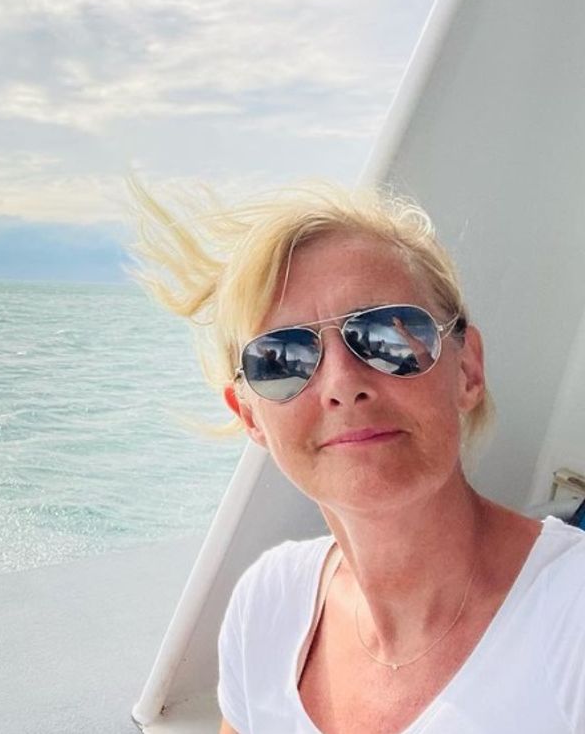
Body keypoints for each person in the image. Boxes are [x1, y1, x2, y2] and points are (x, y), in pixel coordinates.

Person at [130, 181, 585, 734]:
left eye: (384, 335)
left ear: (467, 370)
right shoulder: (268, 604)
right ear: (250, 416)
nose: (343, 385)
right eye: (283, 358)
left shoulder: (572, 614)